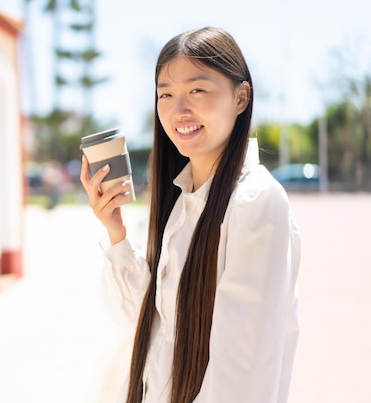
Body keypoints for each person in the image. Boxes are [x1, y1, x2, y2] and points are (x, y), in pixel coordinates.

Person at [80, 27, 301, 403]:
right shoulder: (184, 200)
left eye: (197, 90)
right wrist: (116, 234)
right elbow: (149, 325)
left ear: (241, 96)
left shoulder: (255, 202)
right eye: (165, 94)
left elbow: (240, 377)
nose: (179, 110)